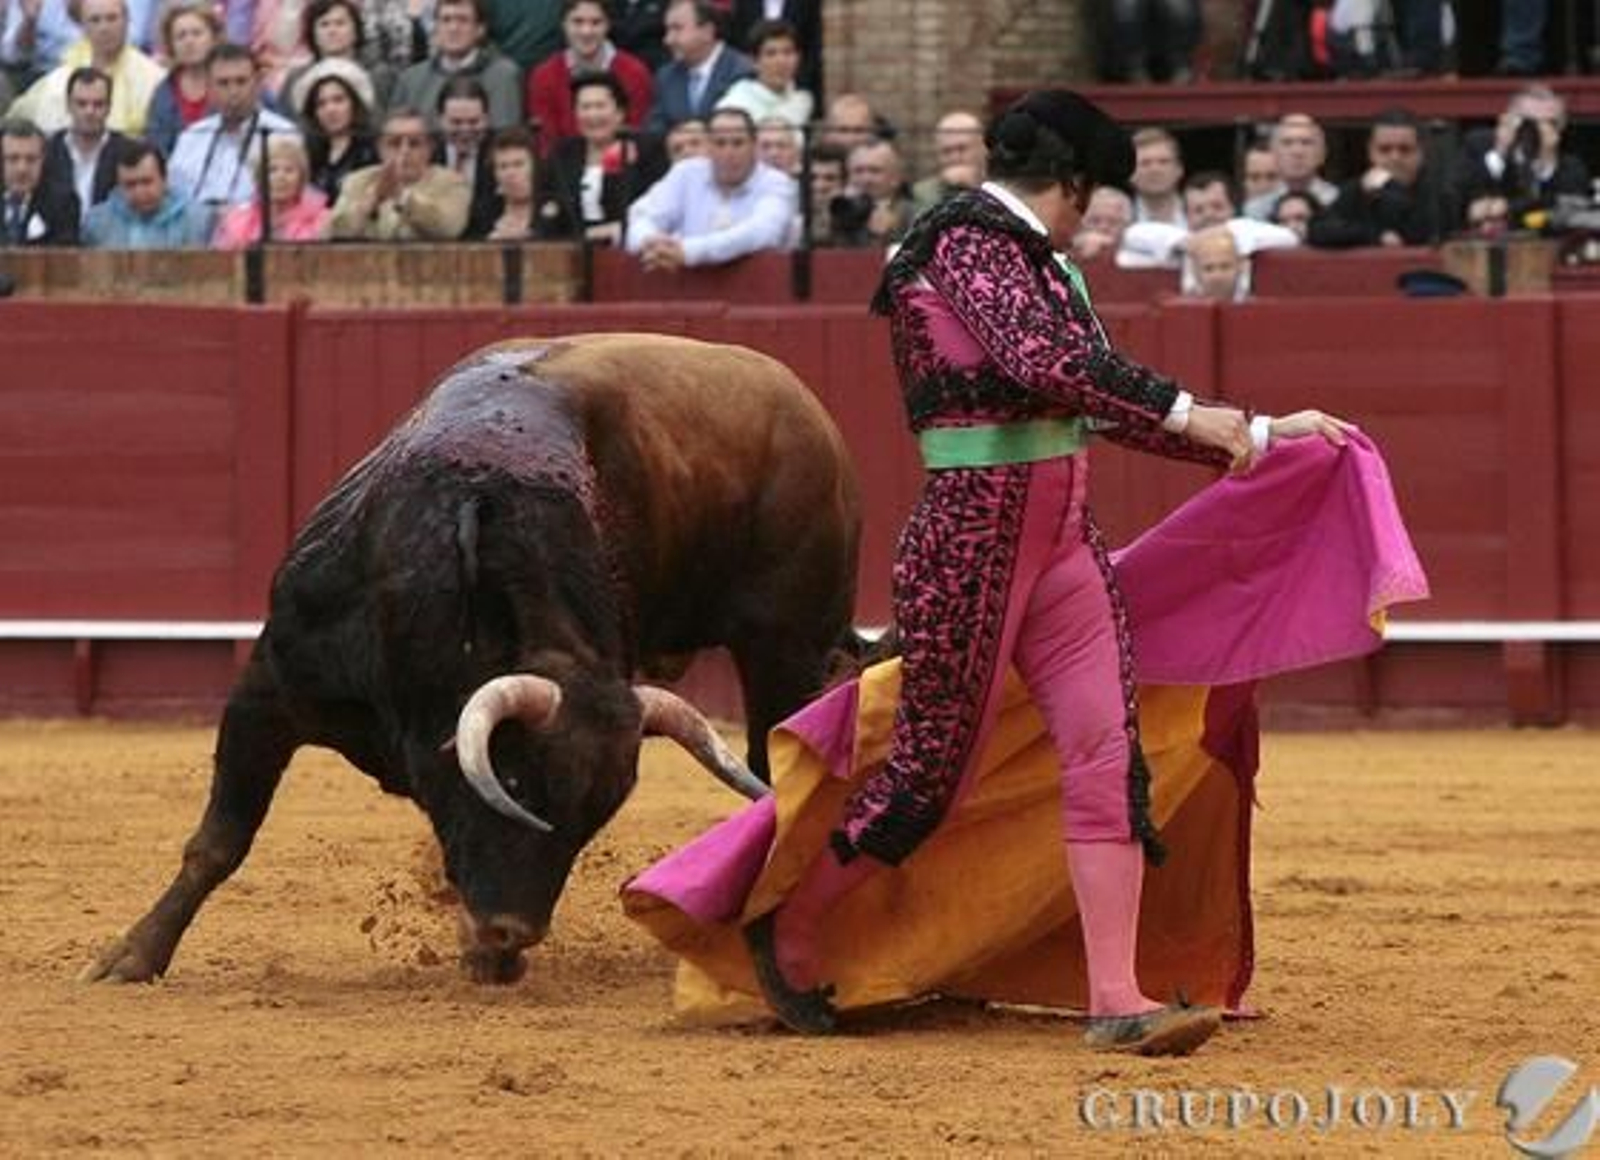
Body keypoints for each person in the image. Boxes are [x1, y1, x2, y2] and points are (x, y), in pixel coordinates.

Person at [742, 89, 1353, 1053]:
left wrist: (1262, 435)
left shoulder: (1040, 264)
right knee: (929, 774)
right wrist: (1192, 411)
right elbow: (1043, 363)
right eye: (1093, 196)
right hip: (967, 549)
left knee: (1108, 755)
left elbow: (1097, 402)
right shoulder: (961, 242)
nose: (1091, 219)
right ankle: (794, 925)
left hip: (1061, 544)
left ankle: (1116, 997)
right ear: (1069, 184)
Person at [625, 105, 793, 268]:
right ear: (708, 146)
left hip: (755, 283)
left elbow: (762, 232)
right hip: (685, 282)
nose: (728, 152)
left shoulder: (776, 182)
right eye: (720, 143)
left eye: (738, 143)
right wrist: (651, 243)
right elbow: (642, 217)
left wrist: (687, 251)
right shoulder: (686, 172)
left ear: (754, 147)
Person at [534, 70, 665, 242]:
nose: (592, 115)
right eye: (585, 107)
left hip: (631, 247)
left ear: (619, 113)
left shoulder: (646, 150)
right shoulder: (562, 154)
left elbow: (659, 209)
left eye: (600, 106)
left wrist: (618, 229)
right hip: (574, 250)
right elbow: (548, 208)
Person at [167, 42, 298, 213]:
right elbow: (173, 196)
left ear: (258, 84)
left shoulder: (284, 134)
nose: (233, 91)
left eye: (241, 82)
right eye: (223, 83)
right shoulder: (191, 136)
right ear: (209, 87)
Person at [10, 0, 163, 135]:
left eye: (112, 18)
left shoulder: (154, 76)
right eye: (95, 20)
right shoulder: (59, 79)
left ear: (127, 21)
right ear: (82, 27)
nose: (104, 27)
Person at [1309, 108, 1453, 248]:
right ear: (1371, 152)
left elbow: (1420, 232)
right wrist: (1375, 236)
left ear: (1421, 153)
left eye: (1405, 149)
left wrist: (1390, 186)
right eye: (1385, 149)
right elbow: (1319, 231)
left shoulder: (1439, 194)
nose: (1395, 158)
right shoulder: (1356, 190)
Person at [525, 0, 652, 156]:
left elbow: (636, 135)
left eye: (596, 22)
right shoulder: (543, 76)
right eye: (577, 22)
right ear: (564, 24)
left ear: (608, 25)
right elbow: (547, 142)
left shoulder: (635, 73)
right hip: (563, 166)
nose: (586, 31)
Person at [327, 105, 469, 239]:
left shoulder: (452, 183)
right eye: (394, 143)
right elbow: (334, 230)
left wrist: (401, 197)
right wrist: (373, 199)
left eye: (414, 143)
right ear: (380, 148)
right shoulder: (357, 181)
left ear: (430, 148)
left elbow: (449, 228)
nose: (404, 151)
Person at [388, 0, 522, 130]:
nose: (453, 28)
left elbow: (505, 136)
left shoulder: (502, 76)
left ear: (480, 29)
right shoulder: (410, 79)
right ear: (436, 27)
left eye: (463, 20)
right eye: (446, 20)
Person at [41, 65, 132, 225]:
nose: (89, 111)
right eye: (81, 104)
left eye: (98, 104)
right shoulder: (47, 151)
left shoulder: (128, 152)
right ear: (68, 105)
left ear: (109, 107)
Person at [645, 0, 752, 134]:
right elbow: (655, 131)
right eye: (667, 30)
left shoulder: (741, 71)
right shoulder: (666, 77)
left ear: (707, 31)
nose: (668, 40)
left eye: (677, 29)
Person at [83, 137, 212, 246]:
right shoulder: (97, 223)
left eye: (146, 182)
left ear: (165, 180)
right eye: (130, 185)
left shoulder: (198, 220)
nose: (139, 192)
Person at [280, 0, 391, 124]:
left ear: (356, 31)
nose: (332, 31)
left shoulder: (379, 75)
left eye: (340, 23)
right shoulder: (297, 78)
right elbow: (284, 123)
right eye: (324, 24)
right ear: (313, 33)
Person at [212, 133, 330, 246]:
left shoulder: (322, 220)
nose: (281, 177)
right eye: (272, 170)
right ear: (259, 178)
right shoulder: (237, 220)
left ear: (301, 178)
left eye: (289, 170)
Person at [293, 56, 379, 201]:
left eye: (338, 100)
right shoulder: (310, 153)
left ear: (354, 103)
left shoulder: (372, 150)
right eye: (321, 104)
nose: (330, 109)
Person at [142, 0, 221, 156]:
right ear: (171, 46)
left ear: (213, 38)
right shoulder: (163, 93)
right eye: (181, 36)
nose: (189, 42)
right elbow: (156, 149)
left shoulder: (236, 81)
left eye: (197, 33)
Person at [713, 18, 810, 130]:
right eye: (771, 54)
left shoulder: (802, 100)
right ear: (754, 61)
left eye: (788, 52)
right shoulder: (735, 103)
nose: (781, 61)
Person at [1242, 113, 1339, 221]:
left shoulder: (1338, 201)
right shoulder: (1255, 210)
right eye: (1287, 143)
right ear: (1273, 153)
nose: (1297, 151)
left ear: (1322, 154)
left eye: (1306, 142)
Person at [2, 115, 77, 243]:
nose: (22, 169)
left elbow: (63, 251)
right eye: (13, 159)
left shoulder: (63, 203)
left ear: (43, 160)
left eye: (31, 159)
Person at [909, 109, 986, 217]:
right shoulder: (922, 192)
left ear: (981, 149)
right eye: (946, 151)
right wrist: (949, 190)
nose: (955, 157)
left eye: (962, 149)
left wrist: (974, 189)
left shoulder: (999, 185)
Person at [467, 123, 537, 238]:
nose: (510, 173)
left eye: (518, 164)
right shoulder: (482, 214)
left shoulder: (554, 212)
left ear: (535, 167)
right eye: (503, 167)